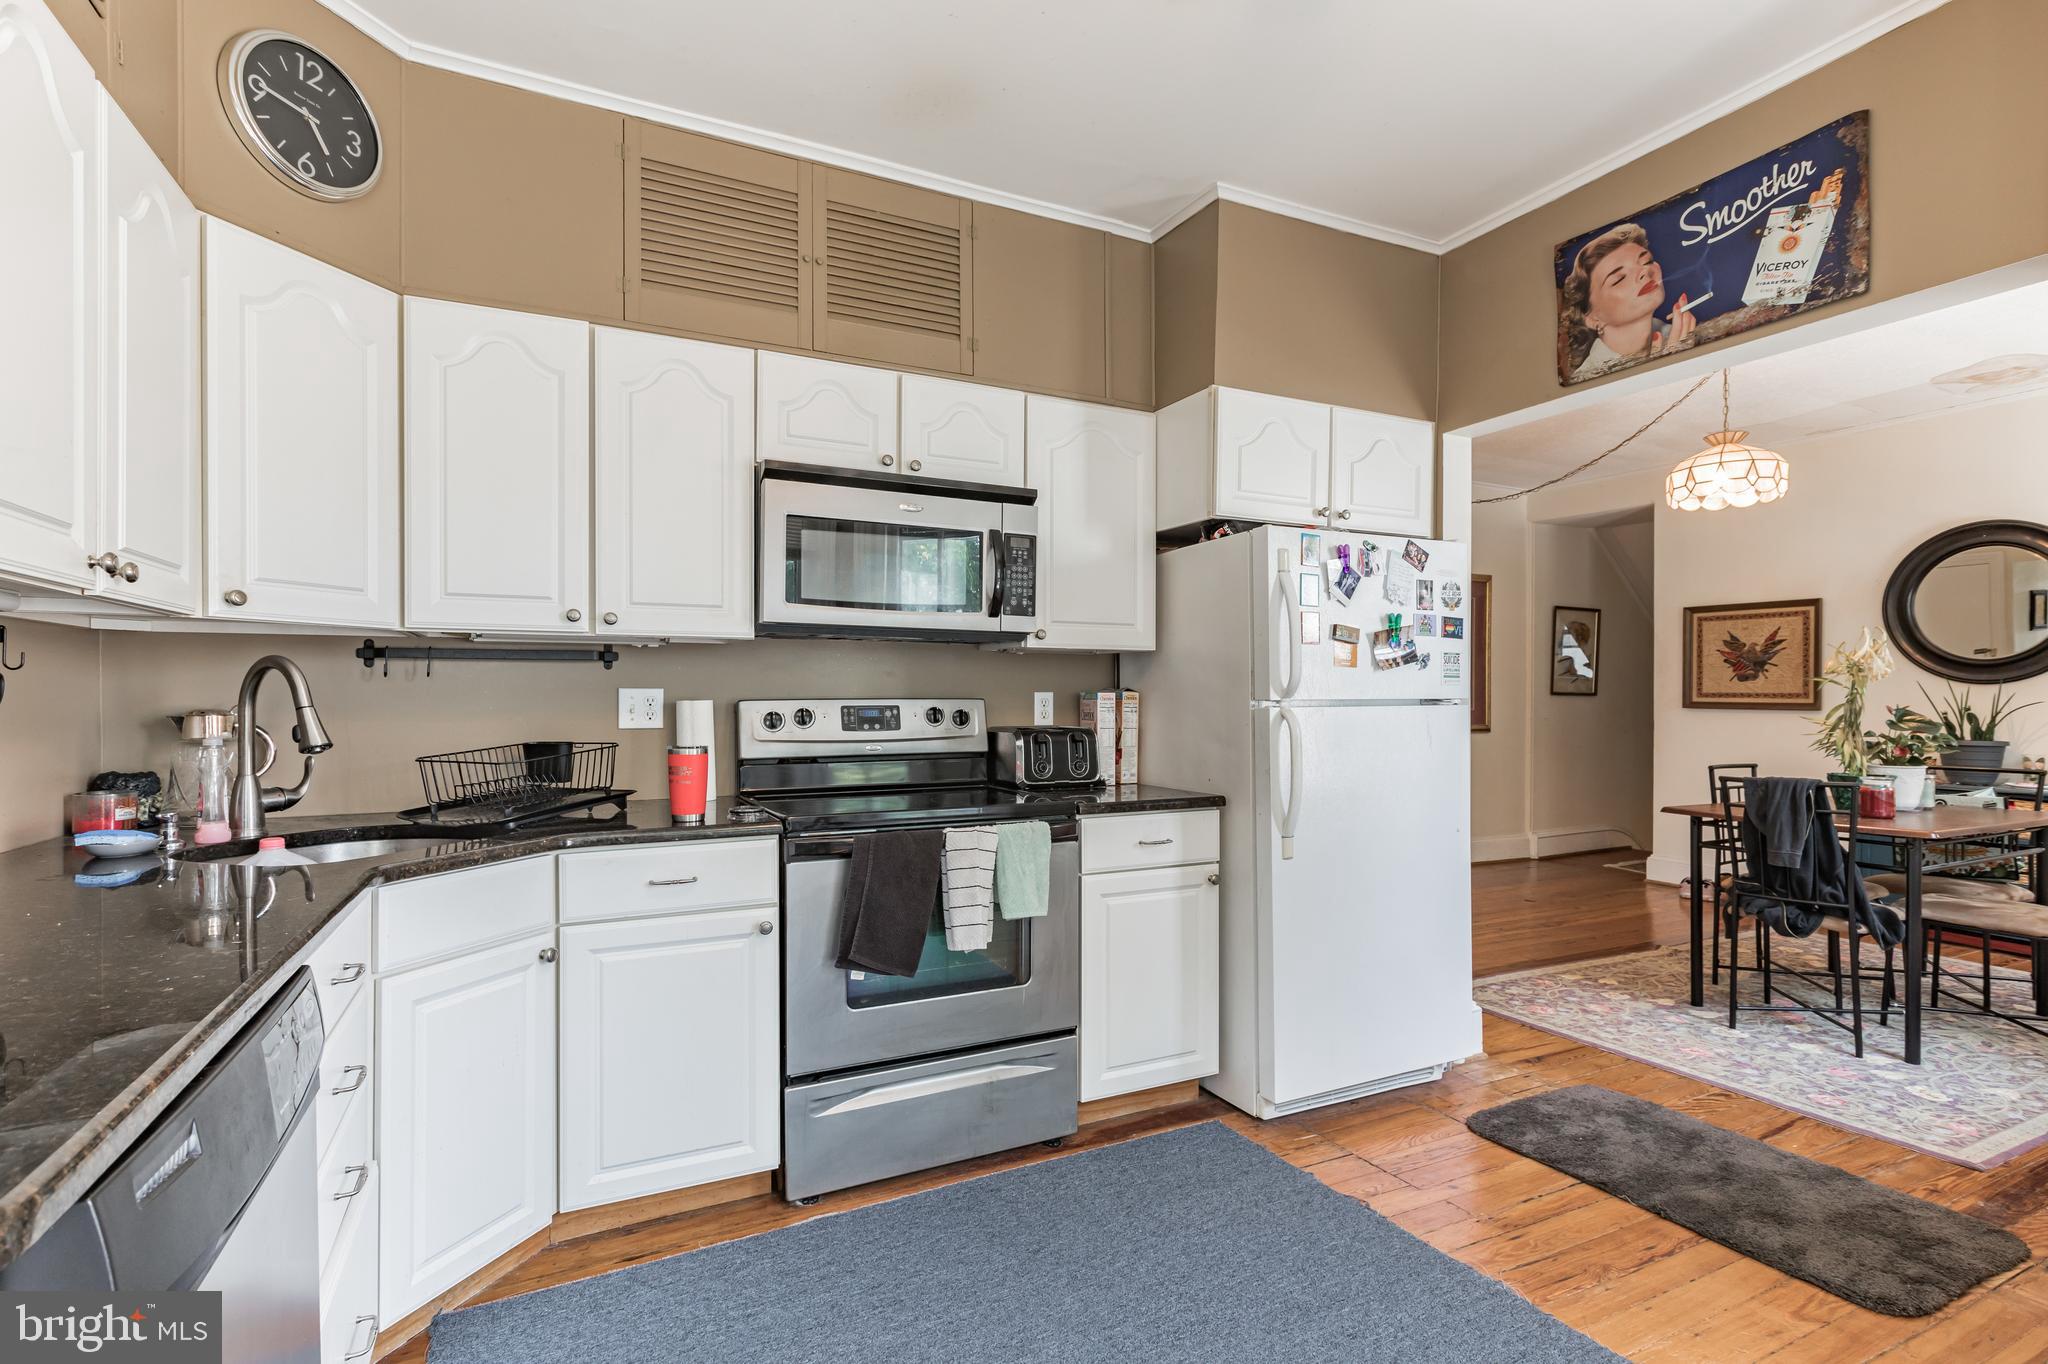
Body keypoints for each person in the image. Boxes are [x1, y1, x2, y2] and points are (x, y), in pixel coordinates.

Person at [1560, 223, 1696, 380]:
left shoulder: (1684, 335)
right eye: (1619, 279)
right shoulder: (1586, 380)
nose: (1644, 272)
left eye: (1646, 261)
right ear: (1592, 318)